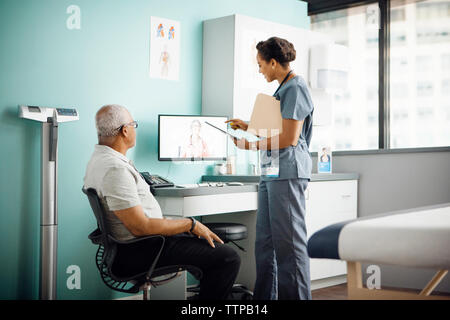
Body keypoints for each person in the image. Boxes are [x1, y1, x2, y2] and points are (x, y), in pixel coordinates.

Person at [84, 104, 240, 300]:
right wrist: (190, 224)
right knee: (227, 257)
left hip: (138, 245)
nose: (134, 129)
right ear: (125, 131)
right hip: (141, 249)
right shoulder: (115, 169)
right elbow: (140, 227)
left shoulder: (99, 160)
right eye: (133, 124)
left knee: (210, 247)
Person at [226, 37, 314, 300]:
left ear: (274, 62)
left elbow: (288, 137)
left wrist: (249, 146)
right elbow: (277, 125)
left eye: (261, 64)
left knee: (289, 245)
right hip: (272, 171)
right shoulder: (282, 88)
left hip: (287, 171)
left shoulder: (296, 87)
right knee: (264, 243)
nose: (259, 70)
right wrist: (248, 124)